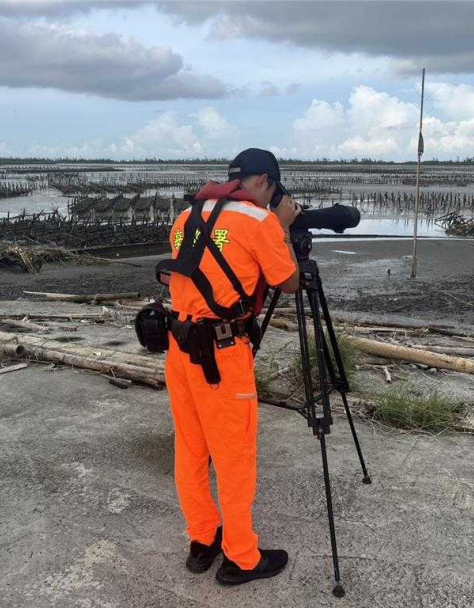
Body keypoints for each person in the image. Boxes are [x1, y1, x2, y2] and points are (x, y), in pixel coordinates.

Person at [165, 148, 300, 585]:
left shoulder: (188, 217)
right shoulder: (260, 221)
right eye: (273, 190)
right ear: (264, 181)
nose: (273, 198)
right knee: (234, 456)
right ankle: (241, 557)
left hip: (180, 346)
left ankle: (202, 539)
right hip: (221, 356)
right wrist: (283, 226)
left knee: (191, 448)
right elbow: (290, 282)